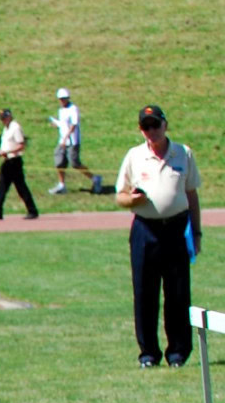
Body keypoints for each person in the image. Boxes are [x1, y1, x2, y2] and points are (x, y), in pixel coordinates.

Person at [117, 104, 202, 368]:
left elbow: (191, 195)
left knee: (177, 292)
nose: (152, 131)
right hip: (145, 230)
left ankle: (178, 352)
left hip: (176, 229)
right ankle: (148, 354)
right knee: (145, 293)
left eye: (156, 125)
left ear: (165, 125)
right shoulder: (134, 156)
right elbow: (119, 195)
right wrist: (131, 199)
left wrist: (196, 233)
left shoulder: (183, 153)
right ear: (141, 130)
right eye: (146, 126)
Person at [0, 108, 39, 222]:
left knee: (21, 187)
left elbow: (21, 145)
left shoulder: (15, 127)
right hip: (7, 161)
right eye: (1, 118)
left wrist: (8, 152)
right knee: (1, 187)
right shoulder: (6, 129)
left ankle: (32, 210)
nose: (2, 120)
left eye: (4, 117)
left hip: (14, 161)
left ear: (9, 116)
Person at [50, 87, 103, 194]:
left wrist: (66, 138)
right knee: (59, 163)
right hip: (62, 141)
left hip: (72, 141)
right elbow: (63, 124)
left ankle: (95, 179)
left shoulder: (73, 109)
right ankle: (61, 185)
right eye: (61, 99)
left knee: (75, 163)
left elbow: (74, 125)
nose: (62, 101)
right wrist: (57, 124)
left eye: (64, 98)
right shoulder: (61, 110)